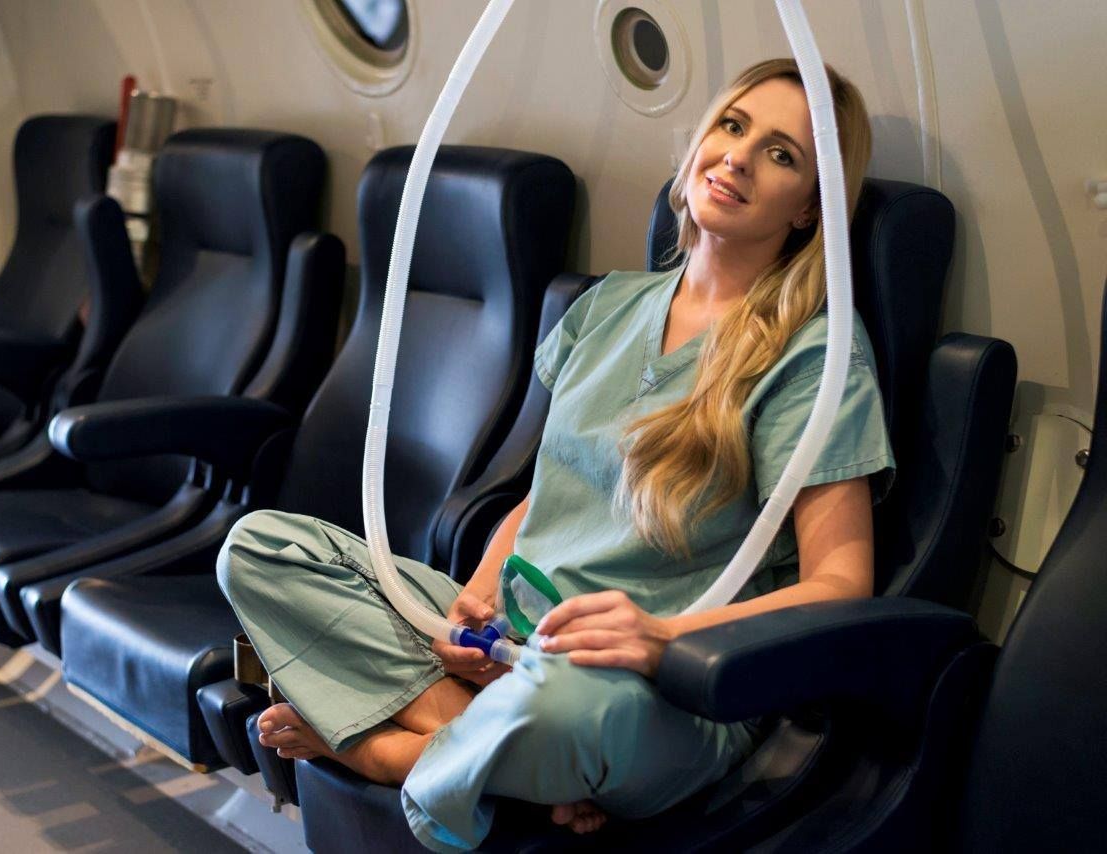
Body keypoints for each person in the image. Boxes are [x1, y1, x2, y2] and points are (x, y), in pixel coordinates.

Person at [218, 57, 890, 852]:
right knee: (259, 550)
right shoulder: (605, 307)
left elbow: (841, 584)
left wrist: (662, 638)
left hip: (656, 686)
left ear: (811, 207)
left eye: (783, 154)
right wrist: (475, 601)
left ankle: (380, 748)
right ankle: (501, 753)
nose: (738, 157)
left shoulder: (815, 359)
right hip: (518, 635)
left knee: (558, 712)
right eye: (733, 126)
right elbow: (546, 496)